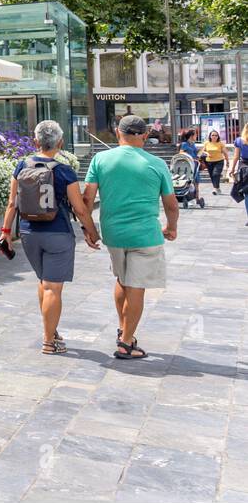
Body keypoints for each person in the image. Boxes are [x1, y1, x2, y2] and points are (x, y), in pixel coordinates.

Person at [82, 114, 180, 361]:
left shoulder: (100, 159)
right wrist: (171, 227)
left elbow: (87, 199)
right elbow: (171, 204)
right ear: (145, 135)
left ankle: (122, 328)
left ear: (118, 133)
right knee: (136, 288)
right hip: (145, 234)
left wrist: (89, 229)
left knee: (122, 280)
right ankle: (126, 343)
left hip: (113, 233)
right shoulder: (156, 164)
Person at [0, 120, 100, 355]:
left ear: (35, 142)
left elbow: (12, 203)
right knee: (53, 287)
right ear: (61, 143)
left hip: (28, 232)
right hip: (58, 233)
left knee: (44, 282)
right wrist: (91, 232)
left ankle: (50, 330)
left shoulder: (21, 165)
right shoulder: (64, 171)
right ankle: (48, 340)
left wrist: (5, 232)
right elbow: (80, 209)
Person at [177, 129, 205, 207]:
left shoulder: (193, 144)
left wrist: (201, 152)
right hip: (188, 165)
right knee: (189, 181)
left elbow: (195, 153)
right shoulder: (184, 144)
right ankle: (189, 198)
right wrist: (190, 157)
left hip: (195, 164)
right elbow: (181, 152)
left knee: (196, 181)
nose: (196, 136)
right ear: (191, 136)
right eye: (195, 134)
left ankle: (197, 198)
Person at [229, 125, 248, 225]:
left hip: (244, 168)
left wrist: (232, 169)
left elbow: (236, 157)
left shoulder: (239, 141)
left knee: (247, 193)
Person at [199, 129, 227, 195]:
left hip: (219, 161)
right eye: (213, 135)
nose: (214, 136)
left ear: (218, 136)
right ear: (210, 136)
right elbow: (202, 151)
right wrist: (206, 153)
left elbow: (225, 153)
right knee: (212, 176)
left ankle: (215, 189)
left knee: (216, 174)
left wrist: (228, 161)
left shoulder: (220, 143)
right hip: (209, 162)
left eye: (216, 135)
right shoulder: (206, 143)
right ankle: (217, 188)